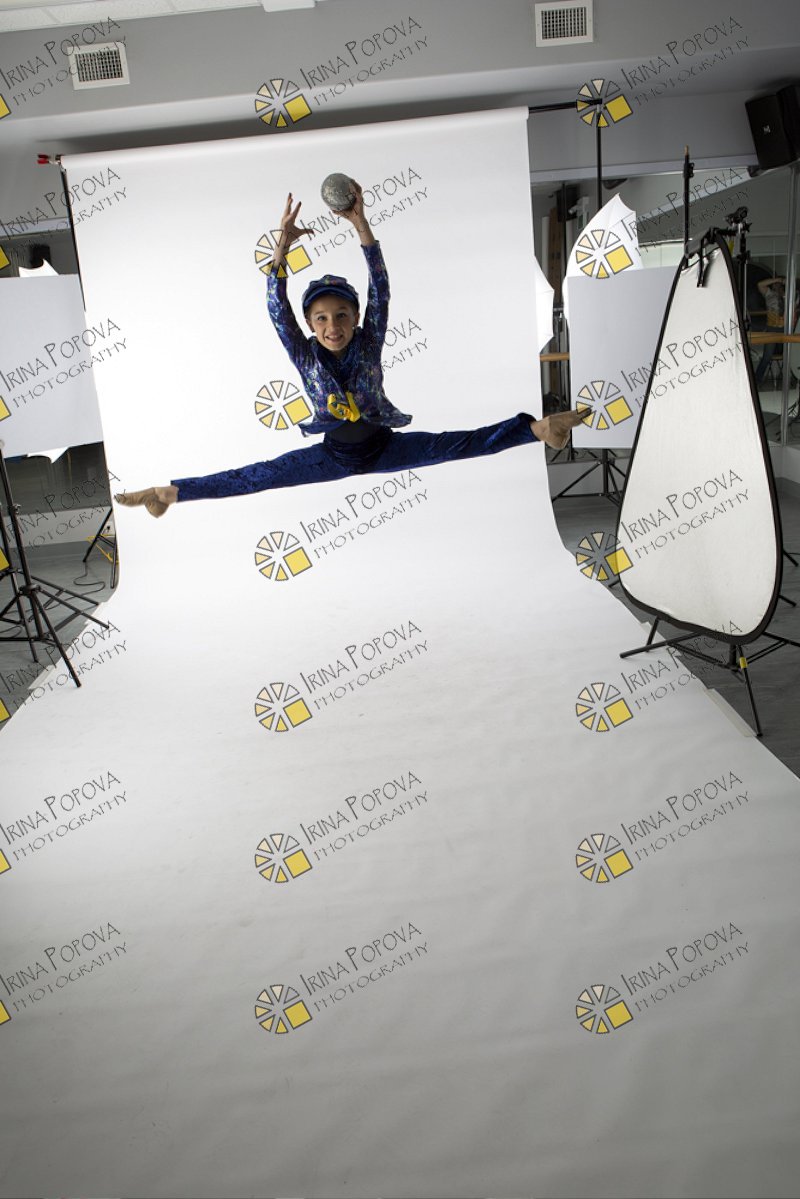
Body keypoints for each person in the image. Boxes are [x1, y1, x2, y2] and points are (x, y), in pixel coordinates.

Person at [116, 186, 587, 517]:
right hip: (332, 457)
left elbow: (380, 287)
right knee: (256, 477)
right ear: (310, 325)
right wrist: (282, 246)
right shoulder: (304, 355)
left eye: (341, 315)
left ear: (356, 317)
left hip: (384, 447)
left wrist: (360, 223)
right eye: (321, 319)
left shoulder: (369, 340)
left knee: (455, 445)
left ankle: (540, 428)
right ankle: (168, 492)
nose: (332, 326)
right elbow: (276, 308)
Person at [754, 276, 785, 386]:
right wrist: (778, 279)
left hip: (786, 329)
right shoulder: (769, 294)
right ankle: (756, 380)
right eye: (775, 283)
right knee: (767, 356)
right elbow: (760, 284)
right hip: (772, 328)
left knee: (790, 353)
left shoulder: (789, 295)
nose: (776, 285)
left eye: (779, 284)